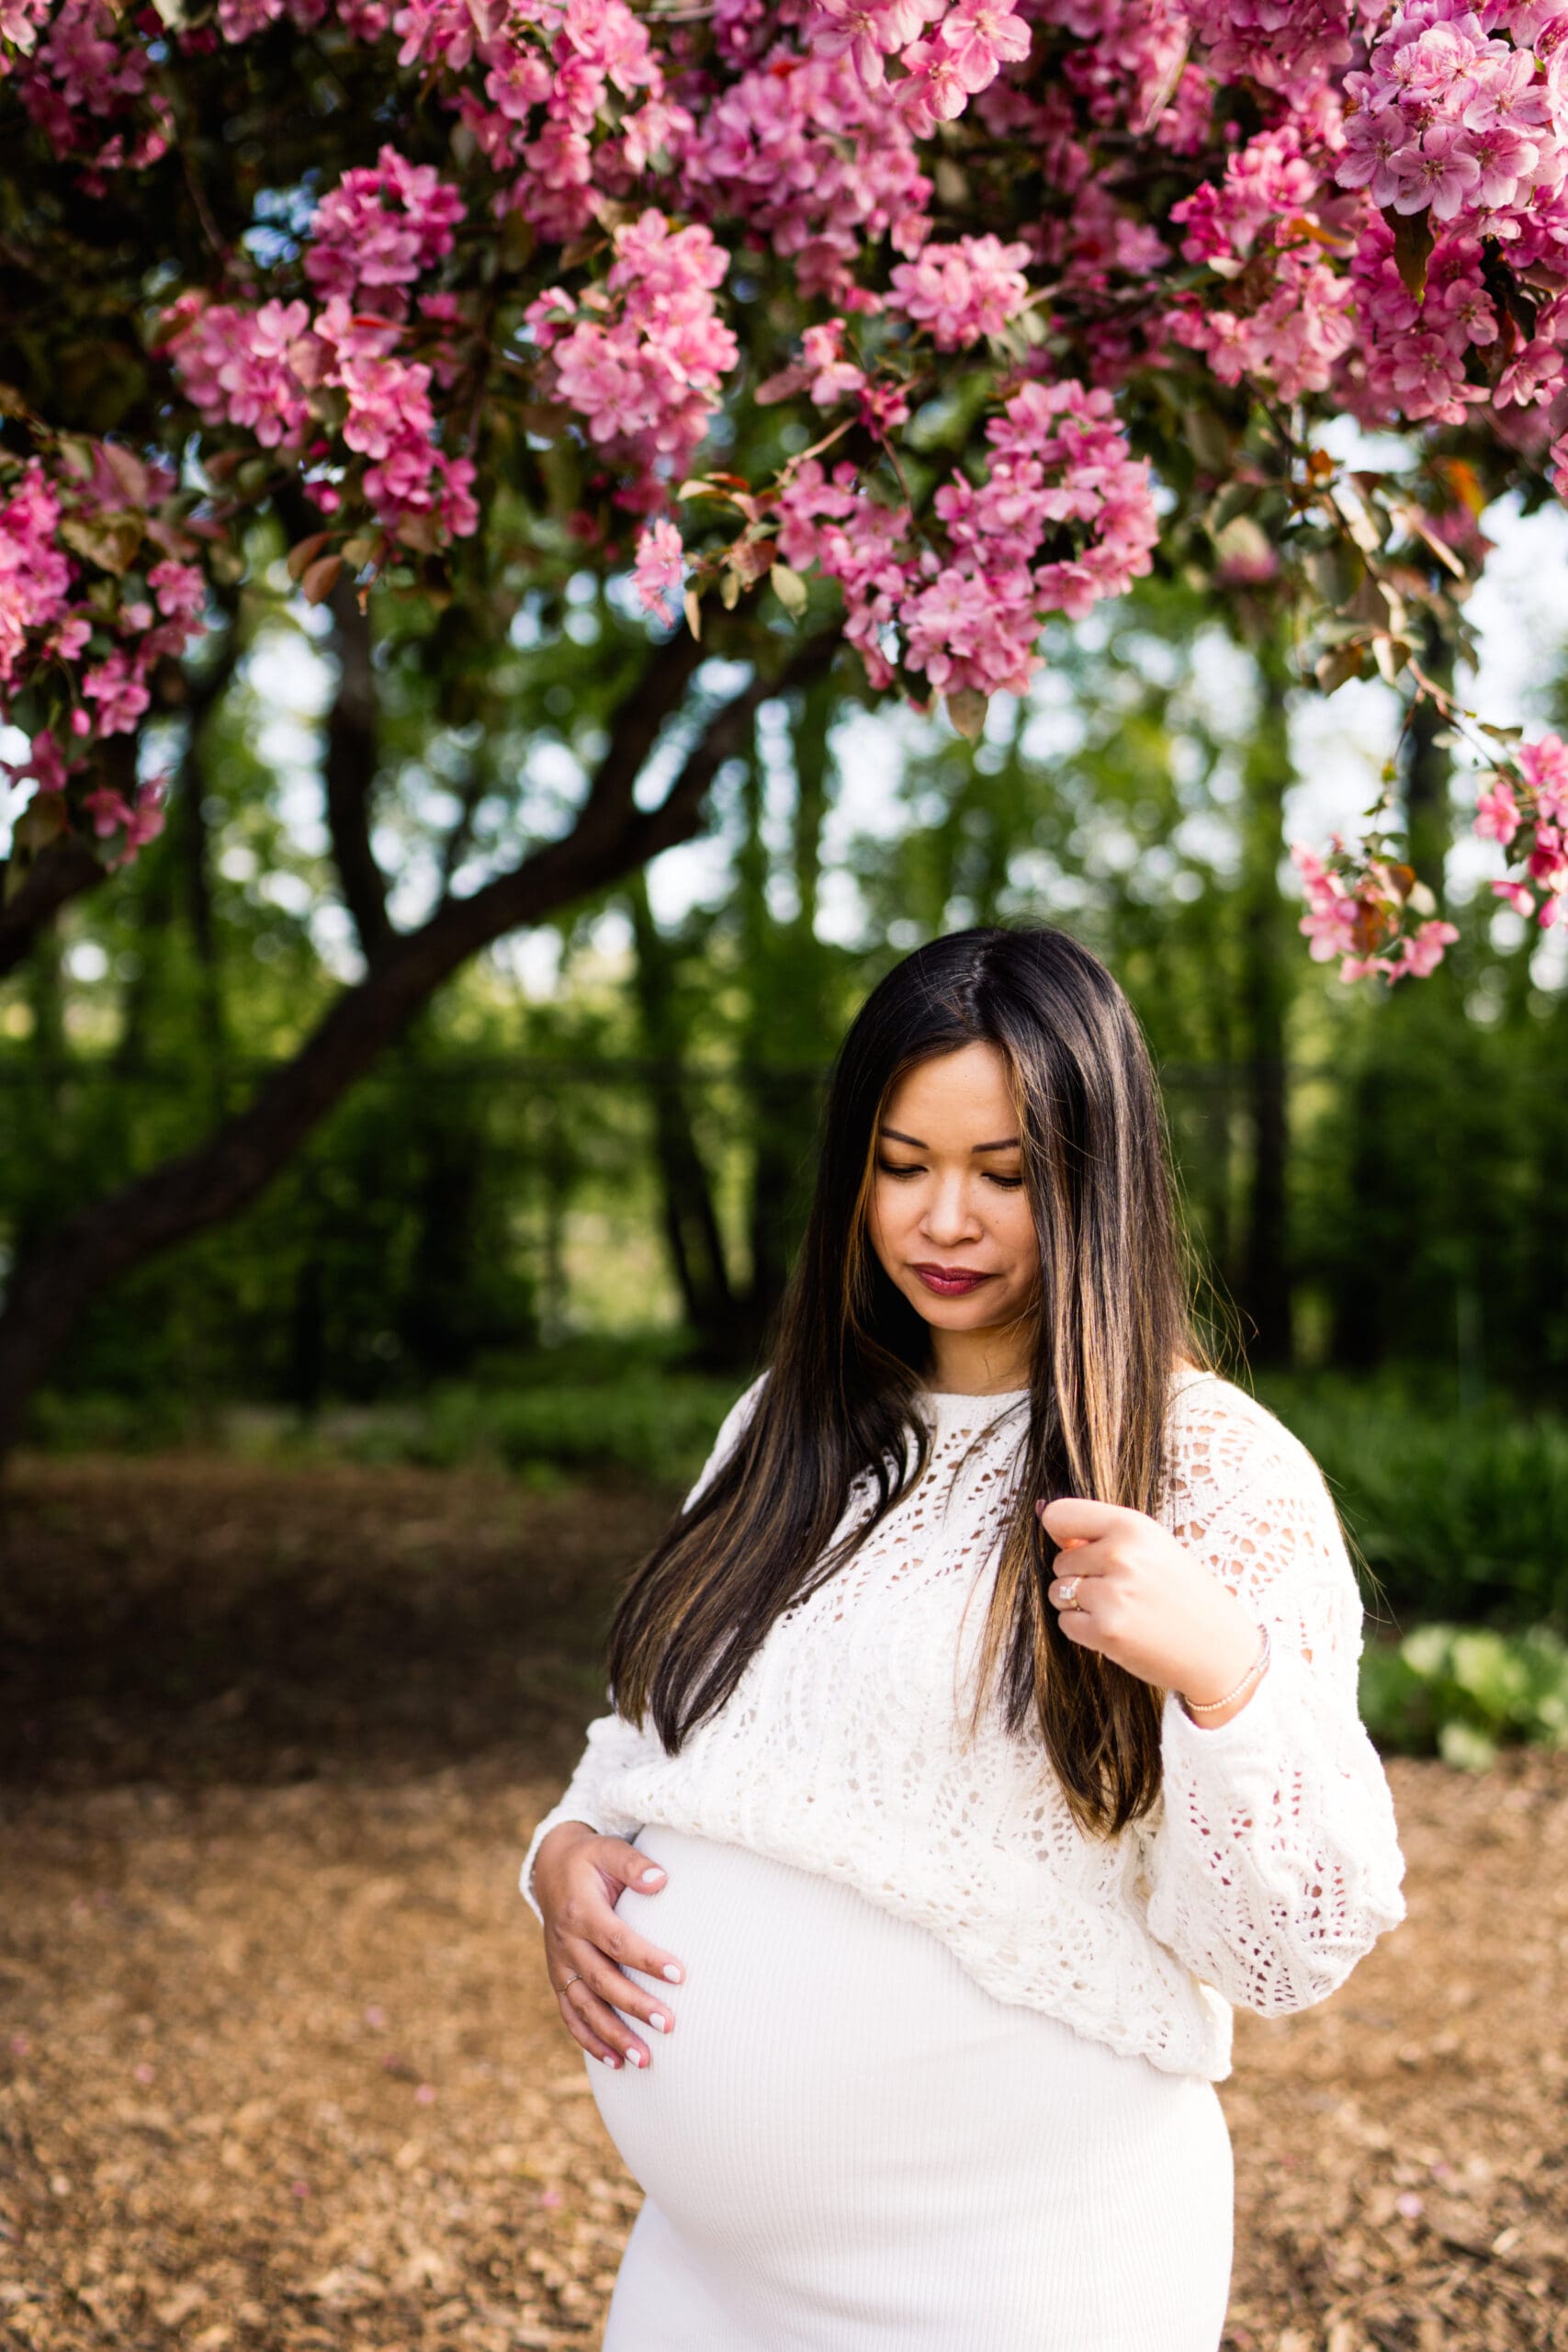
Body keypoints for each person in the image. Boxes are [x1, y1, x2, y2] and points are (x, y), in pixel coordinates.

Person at [519, 924, 1407, 2352]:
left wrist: (1223, 1679)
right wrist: (559, 1851)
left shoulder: (1215, 1475)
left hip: (1023, 2275)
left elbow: (1289, 1954)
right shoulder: (785, 1429)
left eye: (1005, 1176)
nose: (945, 1220)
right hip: (704, 2280)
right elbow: (651, 1732)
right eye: (902, 1164)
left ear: (1096, 1181)